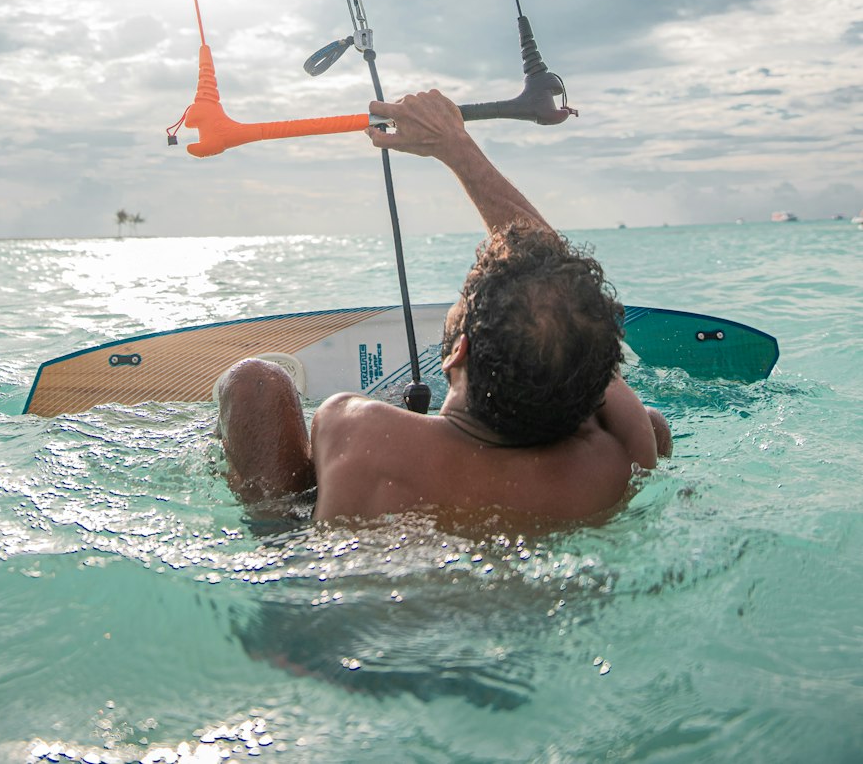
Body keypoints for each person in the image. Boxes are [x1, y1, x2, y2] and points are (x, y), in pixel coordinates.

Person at [217, 89, 671, 528]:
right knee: (656, 423)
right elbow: (571, 306)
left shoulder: (357, 430)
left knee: (256, 383)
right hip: (543, 565)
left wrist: (450, 144)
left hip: (334, 586)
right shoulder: (626, 449)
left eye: (464, 298)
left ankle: (270, 530)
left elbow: (561, 287)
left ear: (458, 351)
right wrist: (457, 145)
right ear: (597, 371)